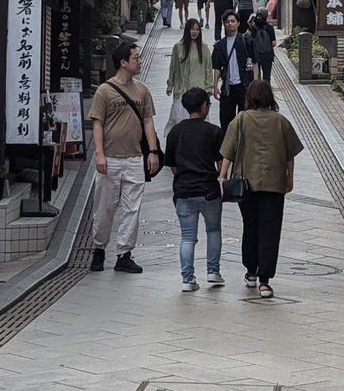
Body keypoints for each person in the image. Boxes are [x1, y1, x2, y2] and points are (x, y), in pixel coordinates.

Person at [219, 80, 303, 299]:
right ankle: (265, 280)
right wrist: (289, 178)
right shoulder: (281, 121)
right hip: (274, 184)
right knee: (270, 230)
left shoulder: (241, 120)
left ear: (249, 97)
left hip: (247, 185)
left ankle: (250, 271)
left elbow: (228, 152)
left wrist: (222, 176)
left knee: (251, 227)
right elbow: (289, 155)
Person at [89, 41, 160, 274]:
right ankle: (99, 249)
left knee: (133, 208)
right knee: (104, 208)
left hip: (134, 158)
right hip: (109, 158)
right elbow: (97, 124)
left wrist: (153, 151)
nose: (139, 61)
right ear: (123, 63)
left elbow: (148, 121)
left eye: (139, 57)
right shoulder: (104, 91)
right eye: (135, 58)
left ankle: (124, 254)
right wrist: (99, 154)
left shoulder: (142, 90)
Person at [164, 87, 224, 292]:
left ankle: (187, 279)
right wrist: (221, 179)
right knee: (213, 230)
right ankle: (213, 271)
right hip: (209, 190)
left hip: (184, 191)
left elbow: (171, 162)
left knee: (187, 237)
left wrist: (180, 177)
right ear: (204, 106)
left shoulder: (176, 132)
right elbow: (220, 161)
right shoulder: (213, 131)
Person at [211, 9, 258, 135]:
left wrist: (255, 83)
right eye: (227, 22)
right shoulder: (220, 45)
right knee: (226, 122)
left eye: (233, 21)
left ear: (238, 23)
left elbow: (254, 62)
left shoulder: (246, 41)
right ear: (224, 24)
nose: (230, 24)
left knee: (246, 120)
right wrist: (215, 86)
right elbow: (217, 67)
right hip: (227, 88)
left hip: (244, 86)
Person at [165, 18, 213, 136]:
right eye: (192, 29)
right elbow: (173, 68)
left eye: (197, 29)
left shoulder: (204, 48)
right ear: (187, 30)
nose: (194, 32)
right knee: (181, 124)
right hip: (182, 90)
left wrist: (209, 88)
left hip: (199, 92)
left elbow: (208, 69)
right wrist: (170, 85)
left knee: (198, 126)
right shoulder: (178, 47)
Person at [249, 8, 276, 83]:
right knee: (267, 77)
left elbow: (248, 40)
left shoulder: (252, 28)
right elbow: (274, 43)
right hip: (268, 55)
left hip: (256, 56)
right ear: (266, 16)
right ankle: (266, 92)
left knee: (256, 76)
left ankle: (257, 92)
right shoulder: (270, 28)